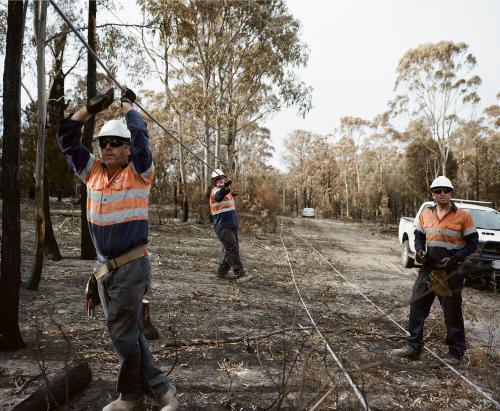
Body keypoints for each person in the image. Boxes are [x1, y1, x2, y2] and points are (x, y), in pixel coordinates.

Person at [56, 88, 178, 410]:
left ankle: (132, 397)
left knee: (122, 332)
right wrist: (89, 107)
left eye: (115, 143)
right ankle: (164, 394)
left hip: (132, 265)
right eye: (103, 143)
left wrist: (127, 108)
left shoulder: (140, 172)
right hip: (104, 268)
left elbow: (140, 136)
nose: (107, 148)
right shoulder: (92, 172)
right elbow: (66, 137)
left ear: (127, 149)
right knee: (130, 333)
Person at [392, 176, 478, 366]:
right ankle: (413, 347)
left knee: (451, 311)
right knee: (417, 307)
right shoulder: (426, 214)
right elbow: (418, 236)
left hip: (450, 272)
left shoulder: (463, 216)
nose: (442, 194)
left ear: (451, 193)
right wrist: (420, 250)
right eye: (438, 191)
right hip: (429, 269)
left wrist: (455, 258)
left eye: (445, 190)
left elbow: (473, 243)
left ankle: (456, 353)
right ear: (432, 193)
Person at [209, 169, 252, 283]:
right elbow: (219, 197)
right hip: (223, 227)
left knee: (231, 249)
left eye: (222, 178)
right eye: (217, 179)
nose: (220, 180)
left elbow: (224, 199)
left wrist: (232, 193)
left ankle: (222, 272)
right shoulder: (215, 191)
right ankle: (240, 273)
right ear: (214, 182)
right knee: (232, 249)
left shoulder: (225, 192)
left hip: (231, 225)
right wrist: (226, 187)